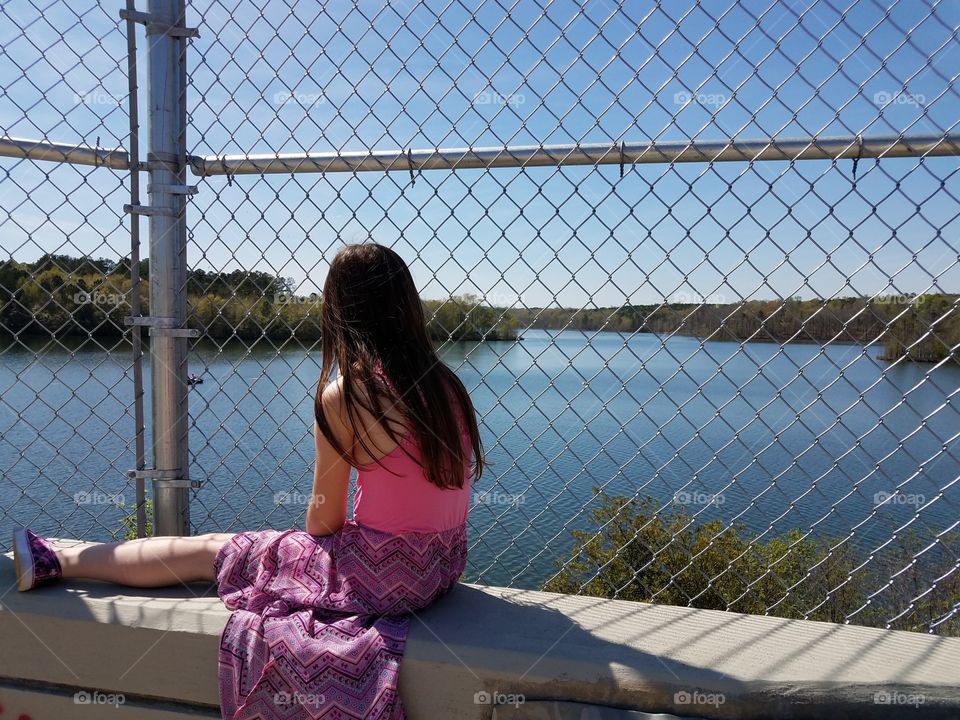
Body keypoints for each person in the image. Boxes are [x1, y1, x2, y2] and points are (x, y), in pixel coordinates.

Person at [12, 241, 485, 719]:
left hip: (380, 575)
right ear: (407, 305)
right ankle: (59, 560)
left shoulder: (348, 396)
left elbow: (323, 521)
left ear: (339, 311)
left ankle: (58, 562)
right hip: (439, 567)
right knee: (245, 551)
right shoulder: (446, 385)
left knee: (212, 550)